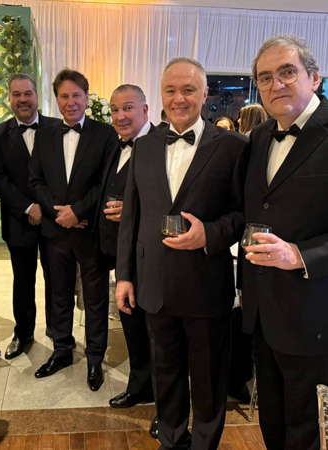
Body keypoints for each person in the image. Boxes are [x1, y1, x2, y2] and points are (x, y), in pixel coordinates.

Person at [116, 57, 248, 449]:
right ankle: (172, 439)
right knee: (166, 372)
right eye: (171, 90)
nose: (179, 98)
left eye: (188, 90)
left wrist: (209, 233)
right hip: (154, 283)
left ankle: (205, 444)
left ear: (204, 94)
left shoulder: (233, 147)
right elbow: (131, 217)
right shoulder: (144, 146)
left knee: (208, 377)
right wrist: (124, 276)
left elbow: (242, 214)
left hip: (206, 283)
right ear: (161, 95)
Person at [242, 34, 328, 450]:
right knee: (273, 421)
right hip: (263, 311)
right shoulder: (259, 137)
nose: (275, 84)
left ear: (314, 77)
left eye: (287, 72)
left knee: (308, 428)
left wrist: (300, 255)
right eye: (265, 77)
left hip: (316, 316)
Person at [30, 68, 118, 391]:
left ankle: (95, 357)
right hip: (56, 231)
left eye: (76, 95)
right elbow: (35, 181)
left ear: (87, 96)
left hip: (89, 230)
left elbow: (106, 183)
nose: (71, 102)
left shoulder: (105, 134)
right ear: (57, 99)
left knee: (95, 297)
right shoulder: (45, 135)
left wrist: (78, 212)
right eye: (64, 96)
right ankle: (62, 350)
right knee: (59, 293)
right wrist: (60, 214)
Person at [95, 84, 158, 436]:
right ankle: (140, 385)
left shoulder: (160, 144)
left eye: (128, 108)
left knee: (157, 333)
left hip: (151, 256)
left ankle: (167, 401)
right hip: (121, 256)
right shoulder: (114, 146)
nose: (120, 116)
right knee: (132, 324)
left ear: (145, 110)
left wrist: (133, 210)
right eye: (115, 109)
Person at [0, 73, 59, 358]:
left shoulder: (57, 128)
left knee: (57, 278)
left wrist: (46, 207)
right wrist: (28, 208)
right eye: (16, 94)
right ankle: (24, 332)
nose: (22, 99)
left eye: (28, 93)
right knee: (23, 281)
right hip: (19, 220)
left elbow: (64, 175)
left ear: (37, 96)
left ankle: (58, 329)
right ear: (9, 98)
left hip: (54, 219)